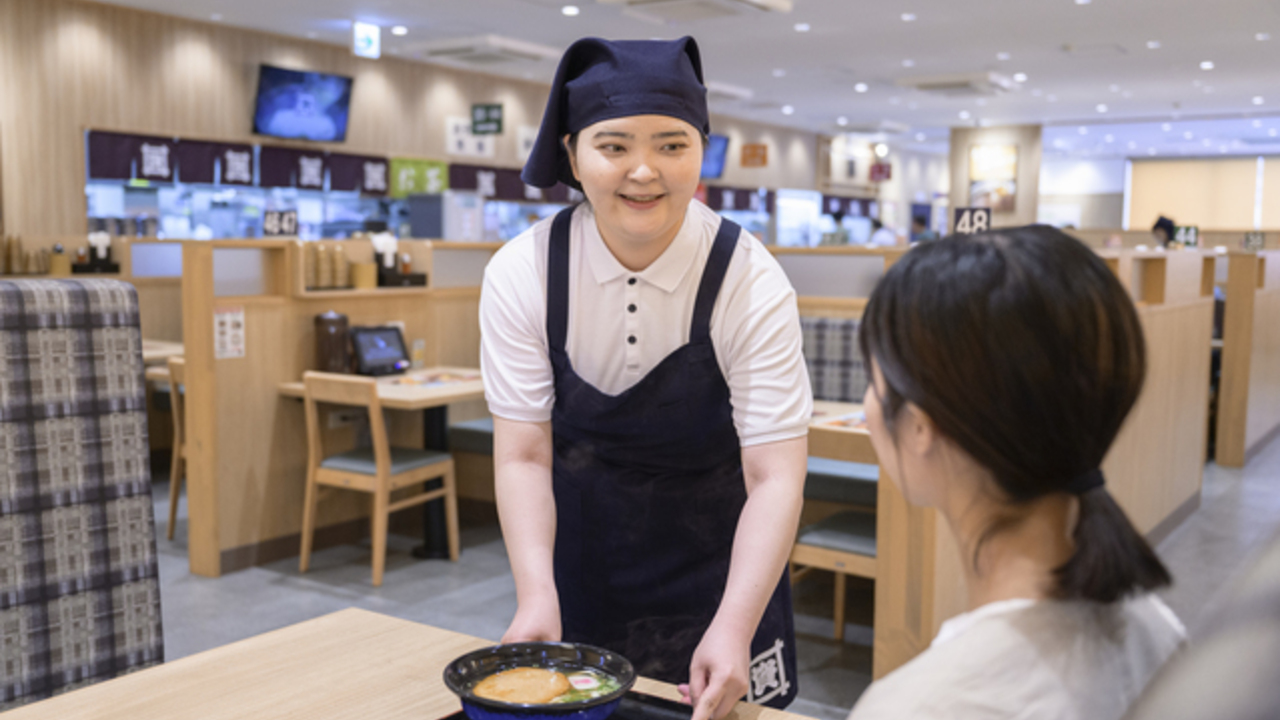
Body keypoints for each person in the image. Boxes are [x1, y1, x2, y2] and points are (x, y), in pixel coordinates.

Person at [479, 36, 811, 720]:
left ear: (701, 152)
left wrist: (735, 626)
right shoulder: (523, 272)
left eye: (671, 144)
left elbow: (775, 476)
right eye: (614, 146)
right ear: (572, 154)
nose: (643, 171)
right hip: (582, 568)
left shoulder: (749, 278)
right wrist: (536, 595)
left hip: (727, 573)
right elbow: (523, 455)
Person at [847, 226, 1186, 720]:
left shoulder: (919, 707)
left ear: (921, 427)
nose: (868, 408)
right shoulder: (1160, 632)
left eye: (873, 382)